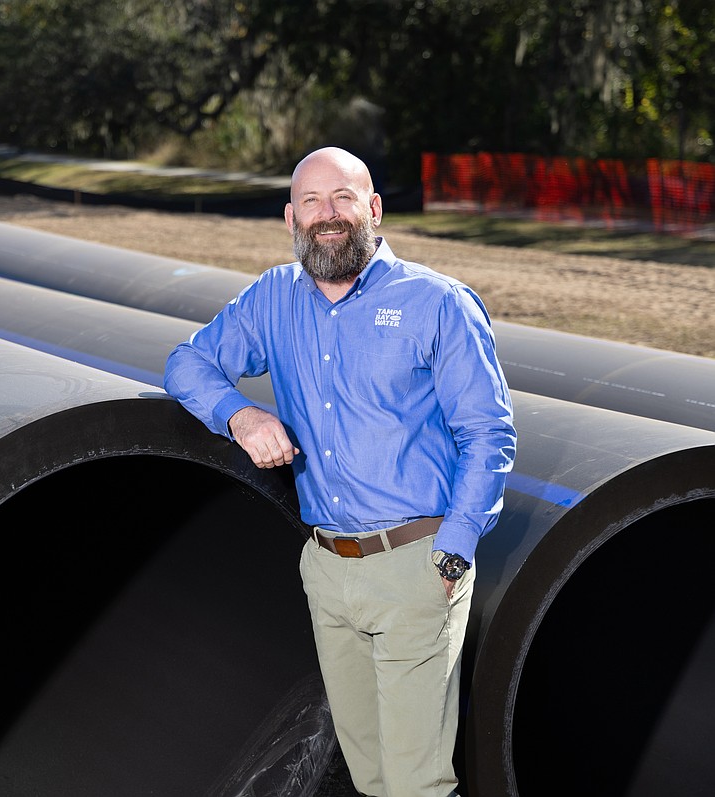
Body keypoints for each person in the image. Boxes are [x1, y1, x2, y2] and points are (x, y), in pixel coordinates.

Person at [163, 147, 516, 797]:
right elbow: (187, 364)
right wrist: (240, 414)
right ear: (290, 217)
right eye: (313, 203)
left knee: (416, 781)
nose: (329, 215)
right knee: (371, 773)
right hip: (328, 567)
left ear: (373, 208)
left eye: (344, 198)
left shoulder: (437, 303)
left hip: (417, 561)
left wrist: (455, 549)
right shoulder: (273, 298)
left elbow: (488, 432)